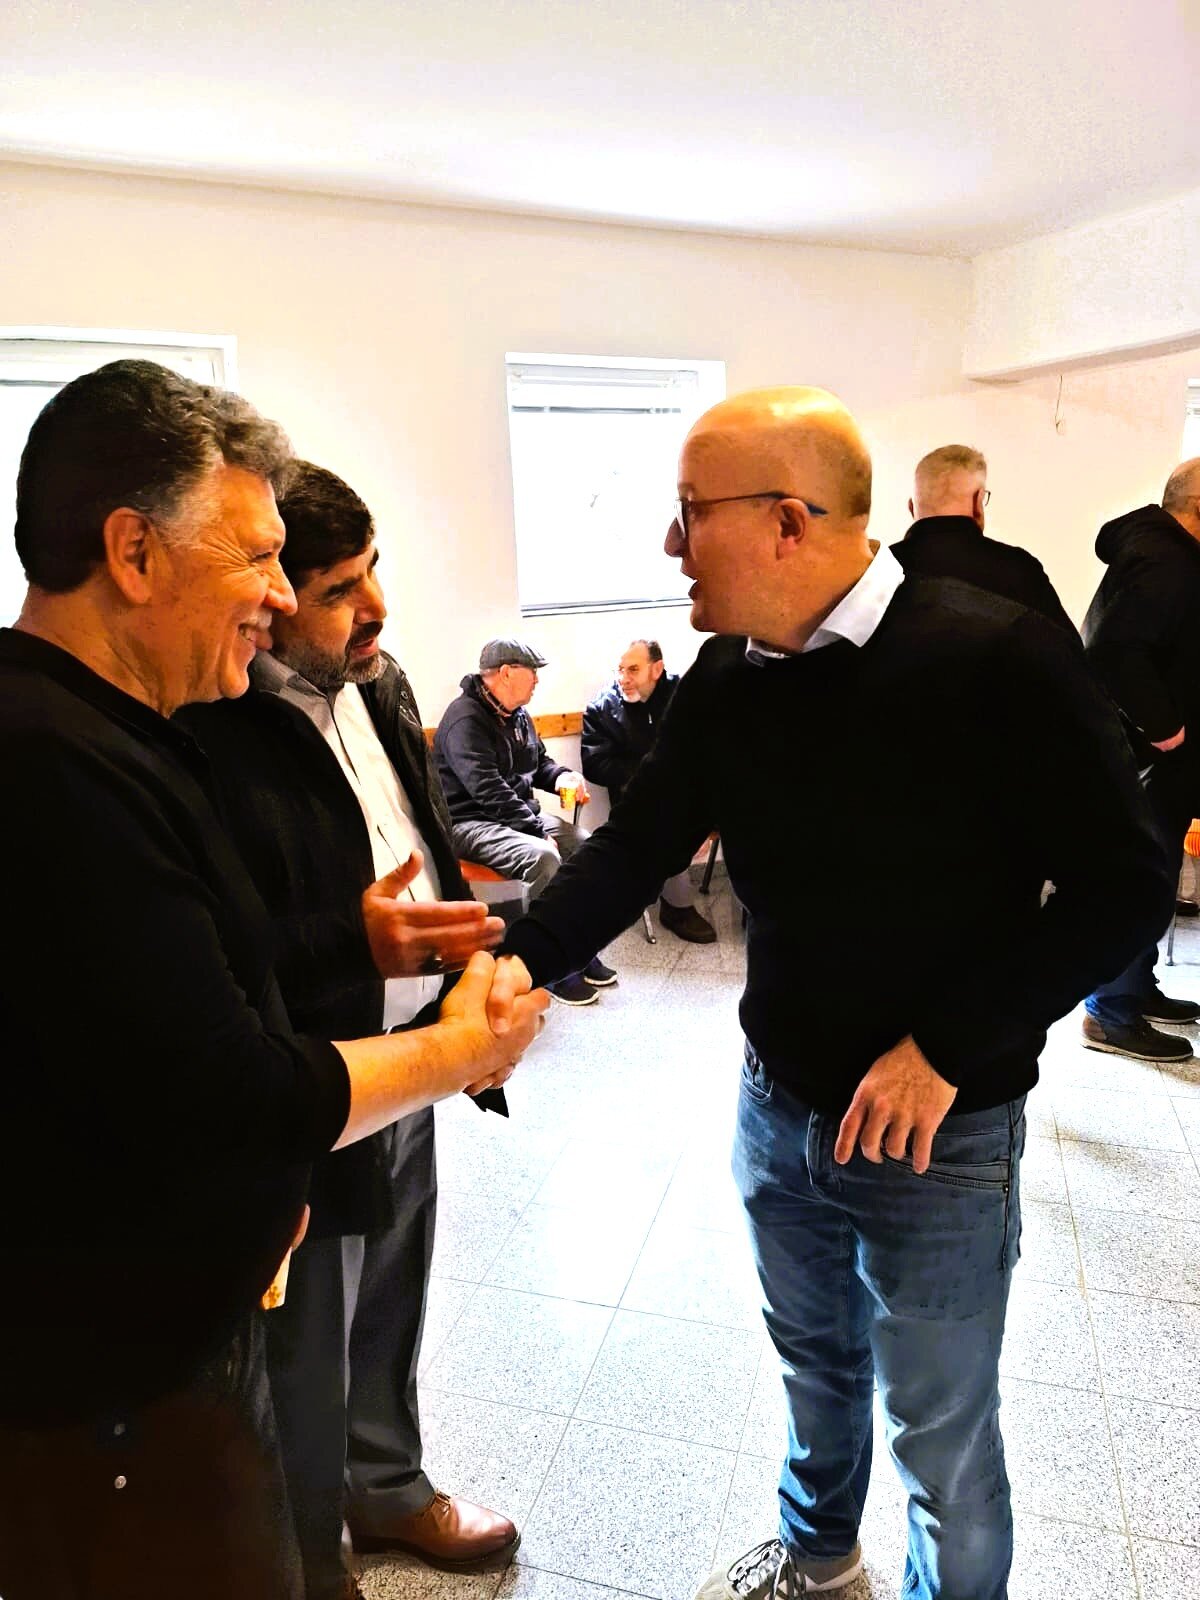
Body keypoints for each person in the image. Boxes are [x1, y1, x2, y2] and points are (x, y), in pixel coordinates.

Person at [502, 387, 1169, 1600]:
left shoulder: (999, 656)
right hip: (780, 1102)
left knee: (941, 1435)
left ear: (788, 522)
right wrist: (516, 961)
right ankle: (819, 1564)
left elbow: (1124, 886)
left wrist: (946, 1047)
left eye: (690, 511)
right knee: (815, 1367)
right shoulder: (727, 674)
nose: (670, 542)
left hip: (939, 1128)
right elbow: (637, 843)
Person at [0, 360, 546, 1600]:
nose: (278, 593)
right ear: (133, 552)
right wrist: (465, 1046)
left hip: (180, 1342)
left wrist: (358, 951)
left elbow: (181, 997)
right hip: (116, 1397)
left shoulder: (121, 731)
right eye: (258, 558)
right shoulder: (54, 766)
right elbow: (230, 1093)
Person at [179, 463, 519, 1599]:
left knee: (392, 1297)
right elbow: (223, 947)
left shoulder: (379, 681)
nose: (374, 608)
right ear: (273, 598)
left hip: (416, 1057)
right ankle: (314, 1558)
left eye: (375, 572)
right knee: (305, 1346)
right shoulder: (213, 723)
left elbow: (420, 826)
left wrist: (466, 972)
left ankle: (387, 1484)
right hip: (315, 1079)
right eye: (338, 589)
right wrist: (351, 945)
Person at [1080, 459, 1200, 1063]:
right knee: (1142, 881)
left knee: (1152, 877)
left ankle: (1134, 990)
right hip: (1149, 757)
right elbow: (1115, 648)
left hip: (1147, 757)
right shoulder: (1167, 561)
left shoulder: (1162, 552)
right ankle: (1111, 1012)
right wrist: (1168, 730)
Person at [435, 640, 617, 1005]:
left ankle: (575, 949)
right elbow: (488, 790)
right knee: (543, 858)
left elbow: (539, 764)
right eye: (532, 671)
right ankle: (545, 966)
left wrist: (562, 776)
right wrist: (535, 830)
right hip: (470, 822)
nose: (537, 680)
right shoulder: (464, 719)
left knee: (586, 847)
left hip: (516, 815)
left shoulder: (518, 715)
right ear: (505, 673)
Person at [582, 638, 716, 942]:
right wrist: (651, 772)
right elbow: (596, 764)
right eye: (620, 670)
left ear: (657, 669)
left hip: (687, 791)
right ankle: (678, 907)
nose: (623, 678)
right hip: (638, 796)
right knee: (665, 822)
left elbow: (705, 749)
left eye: (633, 670)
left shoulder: (682, 695)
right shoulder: (602, 708)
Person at [892, 444, 1076, 633]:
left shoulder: (880, 569)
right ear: (978, 502)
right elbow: (1066, 649)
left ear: (911, 508)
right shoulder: (1021, 569)